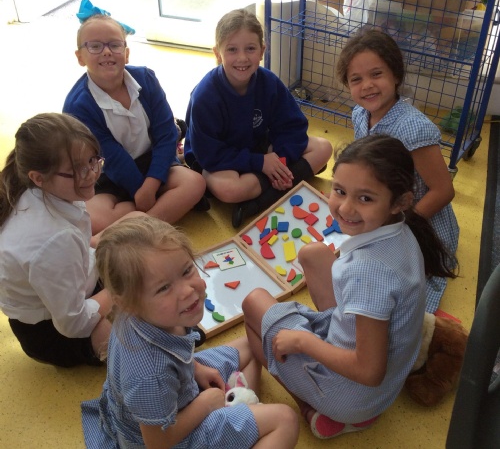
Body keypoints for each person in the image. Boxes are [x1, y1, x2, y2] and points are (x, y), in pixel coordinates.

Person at [242, 134, 458, 440]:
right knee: (313, 254)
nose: (345, 207)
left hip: (354, 395)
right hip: (382, 376)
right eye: (340, 190)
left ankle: (315, 411)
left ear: (400, 202)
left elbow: (369, 371)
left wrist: (303, 342)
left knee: (253, 303)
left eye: (365, 198)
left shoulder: (368, 272)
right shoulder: (403, 228)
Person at [81, 216, 299, 449]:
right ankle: (238, 419)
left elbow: (177, 354)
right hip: (171, 438)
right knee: (285, 420)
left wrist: (197, 368)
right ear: (127, 303)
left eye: (186, 270)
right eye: (164, 288)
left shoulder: (142, 312)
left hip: (180, 394)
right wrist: (204, 405)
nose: (187, 290)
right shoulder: (149, 375)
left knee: (252, 344)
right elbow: (157, 443)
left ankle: (236, 411)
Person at [335, 28, 459, 313]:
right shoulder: (360, 115)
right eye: (356, 79)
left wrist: (399, 225)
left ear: (396, 75)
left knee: (389, 292)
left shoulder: (413, 129)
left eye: (376, 74)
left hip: (419, 221)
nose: (367, 85)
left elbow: (443, 191)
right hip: (382, 209)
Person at [0, 113, 137, 367]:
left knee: (138, 223)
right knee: (142, 316)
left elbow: (73, 249)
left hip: (69, 281)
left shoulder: (37, 188)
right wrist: (122, 290)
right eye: (77, 170)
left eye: (93, 160)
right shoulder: (53, 241)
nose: (92, 174)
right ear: (38, 177)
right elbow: (74, 324)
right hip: (53, 332)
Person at [63, 0, 208, 235]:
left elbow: (166, 134)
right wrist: (142, 192)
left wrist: (151, 184)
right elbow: (111, 158)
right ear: (80, 57)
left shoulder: (146, 79)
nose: (107, 51)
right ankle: (156, 216)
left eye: (114, 45)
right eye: (95, 46)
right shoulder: (78, 106)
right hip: (109, 176)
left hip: (153, 164)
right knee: (93, 219)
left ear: (127, 53)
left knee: (195, 183)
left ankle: (133, 230)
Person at [184, 8, 332, 228]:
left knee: (324, 148)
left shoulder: (269, 82)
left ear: (262, 51)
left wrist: (279, 160)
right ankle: (292, 177)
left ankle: (257, 201)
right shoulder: (205, 95)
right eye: (232, 49)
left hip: (258, 146)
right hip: (220, 159)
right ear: (218, 53)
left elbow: (293, 127)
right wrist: (260, 163)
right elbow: (209, 154)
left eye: (250, 48)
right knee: (229, 189)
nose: (242, 58)